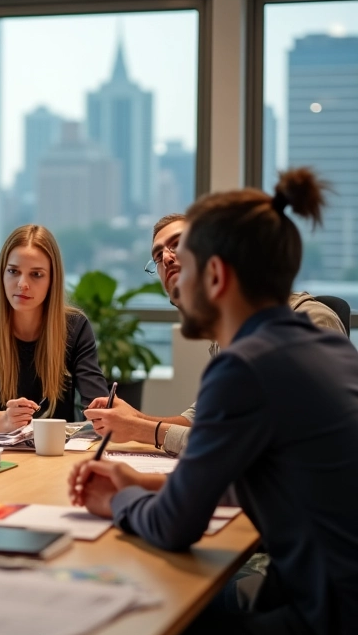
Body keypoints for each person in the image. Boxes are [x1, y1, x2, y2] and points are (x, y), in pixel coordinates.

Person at [69, 168, 358, 635]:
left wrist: (115, 504)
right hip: (336, 601)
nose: (173, 275)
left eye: (188, 264)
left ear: (218, 277)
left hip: (324, 628)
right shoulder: (324, 348)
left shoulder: (246, 364)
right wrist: (146, 484)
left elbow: (177, 526)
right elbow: (262, 475)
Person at [84, 193, 347, 456]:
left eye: (178, 244)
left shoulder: (309, 323)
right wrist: (135, 420)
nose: (166, 258)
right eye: (158, 256)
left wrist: (144, 430)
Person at [0, 224, 108, 433]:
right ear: (2, 273)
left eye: (36, 274)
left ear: (52, 280)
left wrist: (102, 412)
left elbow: (96, 403)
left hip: (54, 454)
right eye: (13, 271)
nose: (22, 284)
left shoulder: (74, 326)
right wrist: (5, 420)